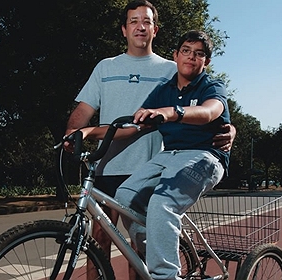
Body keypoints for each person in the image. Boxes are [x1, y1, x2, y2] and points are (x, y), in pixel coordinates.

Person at [64, 0, 235, 276]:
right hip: (108, 164)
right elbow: (105, 116)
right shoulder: (106, 67)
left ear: (155, 29)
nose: (140, 27)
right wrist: (76, 134)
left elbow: (210, 107)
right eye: (134, 21)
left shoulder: (174, 69)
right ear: (124, 29)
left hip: (158, 162)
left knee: (142, 238)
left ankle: (162, 273)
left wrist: (229, 129)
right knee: (101, 236)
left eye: (146, 22)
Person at [114, 30, 230, 279]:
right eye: (186, 51)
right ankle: (155, 255)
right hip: (170, 156)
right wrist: (87, 132)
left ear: (206, 62)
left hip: (205, 156)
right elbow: (137, 123)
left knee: (162, 203)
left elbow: (210, 112)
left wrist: (173, 112)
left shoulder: (212, 86)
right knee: (124, 197)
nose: (191, 57)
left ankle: (165, 276)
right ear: (176, 56)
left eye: (199, 54)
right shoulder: (163, 89)